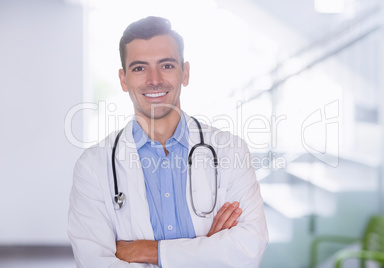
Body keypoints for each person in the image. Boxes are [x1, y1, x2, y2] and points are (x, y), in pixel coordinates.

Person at [68, 16, 269, 267]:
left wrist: (152, 251)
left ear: (185, 73)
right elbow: (94, 262)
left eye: (166, 65)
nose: (154, 80)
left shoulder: (231, 150)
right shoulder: (92, 166)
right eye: (139, 68)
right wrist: (208, 249)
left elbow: (248, 248)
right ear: (123, 79)